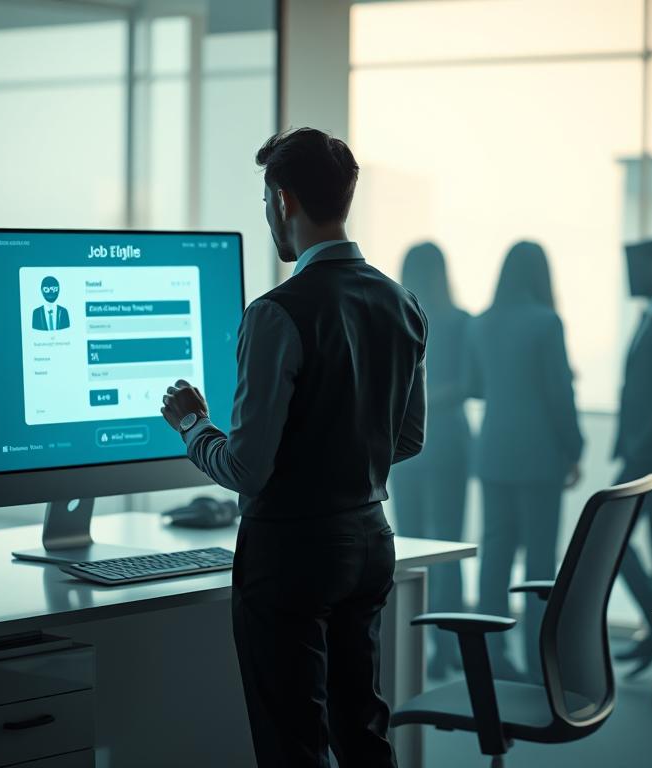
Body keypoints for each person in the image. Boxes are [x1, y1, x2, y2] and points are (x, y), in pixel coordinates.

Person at [161, 128, 427, 768]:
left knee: (292, 745)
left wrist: (192, 425)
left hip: (290, 553)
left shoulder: (276, 312)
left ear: (283, 201)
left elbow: (248, 469)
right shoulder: (401, 302)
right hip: (369, 539)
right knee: (362, 730)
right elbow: (410, 438)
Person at [464, 241, 583, 682]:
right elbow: (559, 395)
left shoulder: (482, 322)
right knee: (539, 563)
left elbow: (475, 386)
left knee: (494, 558)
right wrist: (575, 448)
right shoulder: (547, 323)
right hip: (539, 457)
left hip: (493, 453)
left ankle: (493, 656)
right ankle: (540, 661)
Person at [390, 241, 470, 679]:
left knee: (413, 550)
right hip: (449, 444)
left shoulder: (396, 316)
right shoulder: (461, 321)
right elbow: (472, 384)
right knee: (447, 549)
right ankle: (447, 645)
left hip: (404, 446)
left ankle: (414, 641)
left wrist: (412, 401)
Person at [611, 240, 652, 677]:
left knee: (640, 545)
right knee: (635, 545)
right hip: (641, 452)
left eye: (635, 267)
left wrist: (638, 448)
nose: (628, 277)